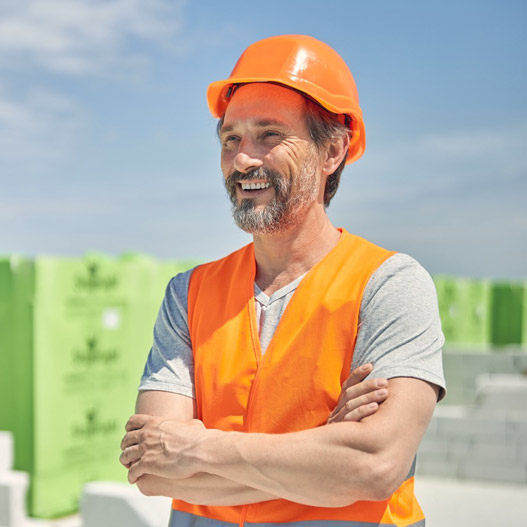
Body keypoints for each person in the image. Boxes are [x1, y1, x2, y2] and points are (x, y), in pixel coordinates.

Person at [120, 34, 446, 527]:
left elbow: (373, 465)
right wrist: (320, 451)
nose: (244, 159)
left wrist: (198, 447)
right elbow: (152, 470)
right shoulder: (189, 294)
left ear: (332, 149)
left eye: (269, 135)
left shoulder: (389, 285)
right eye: (231, 138)